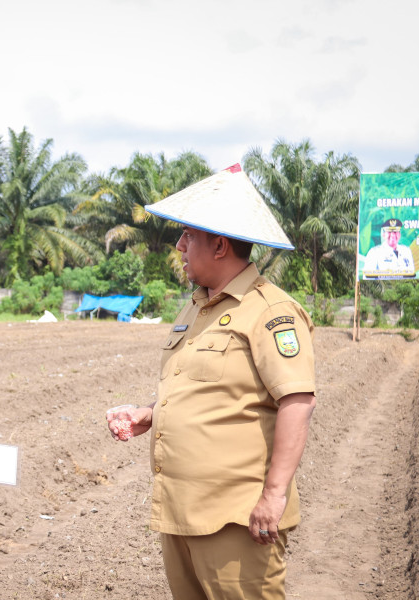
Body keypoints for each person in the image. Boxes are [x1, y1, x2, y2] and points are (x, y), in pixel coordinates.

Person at [107, 164, 316, 600]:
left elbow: (297, 400)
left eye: (188, 236)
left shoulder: (270, 311)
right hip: (181, 511)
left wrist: (274, 497)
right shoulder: (196, 307)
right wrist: (150, 413)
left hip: (237, 520)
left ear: (220, 245)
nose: (179, 246)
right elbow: (205, 386)